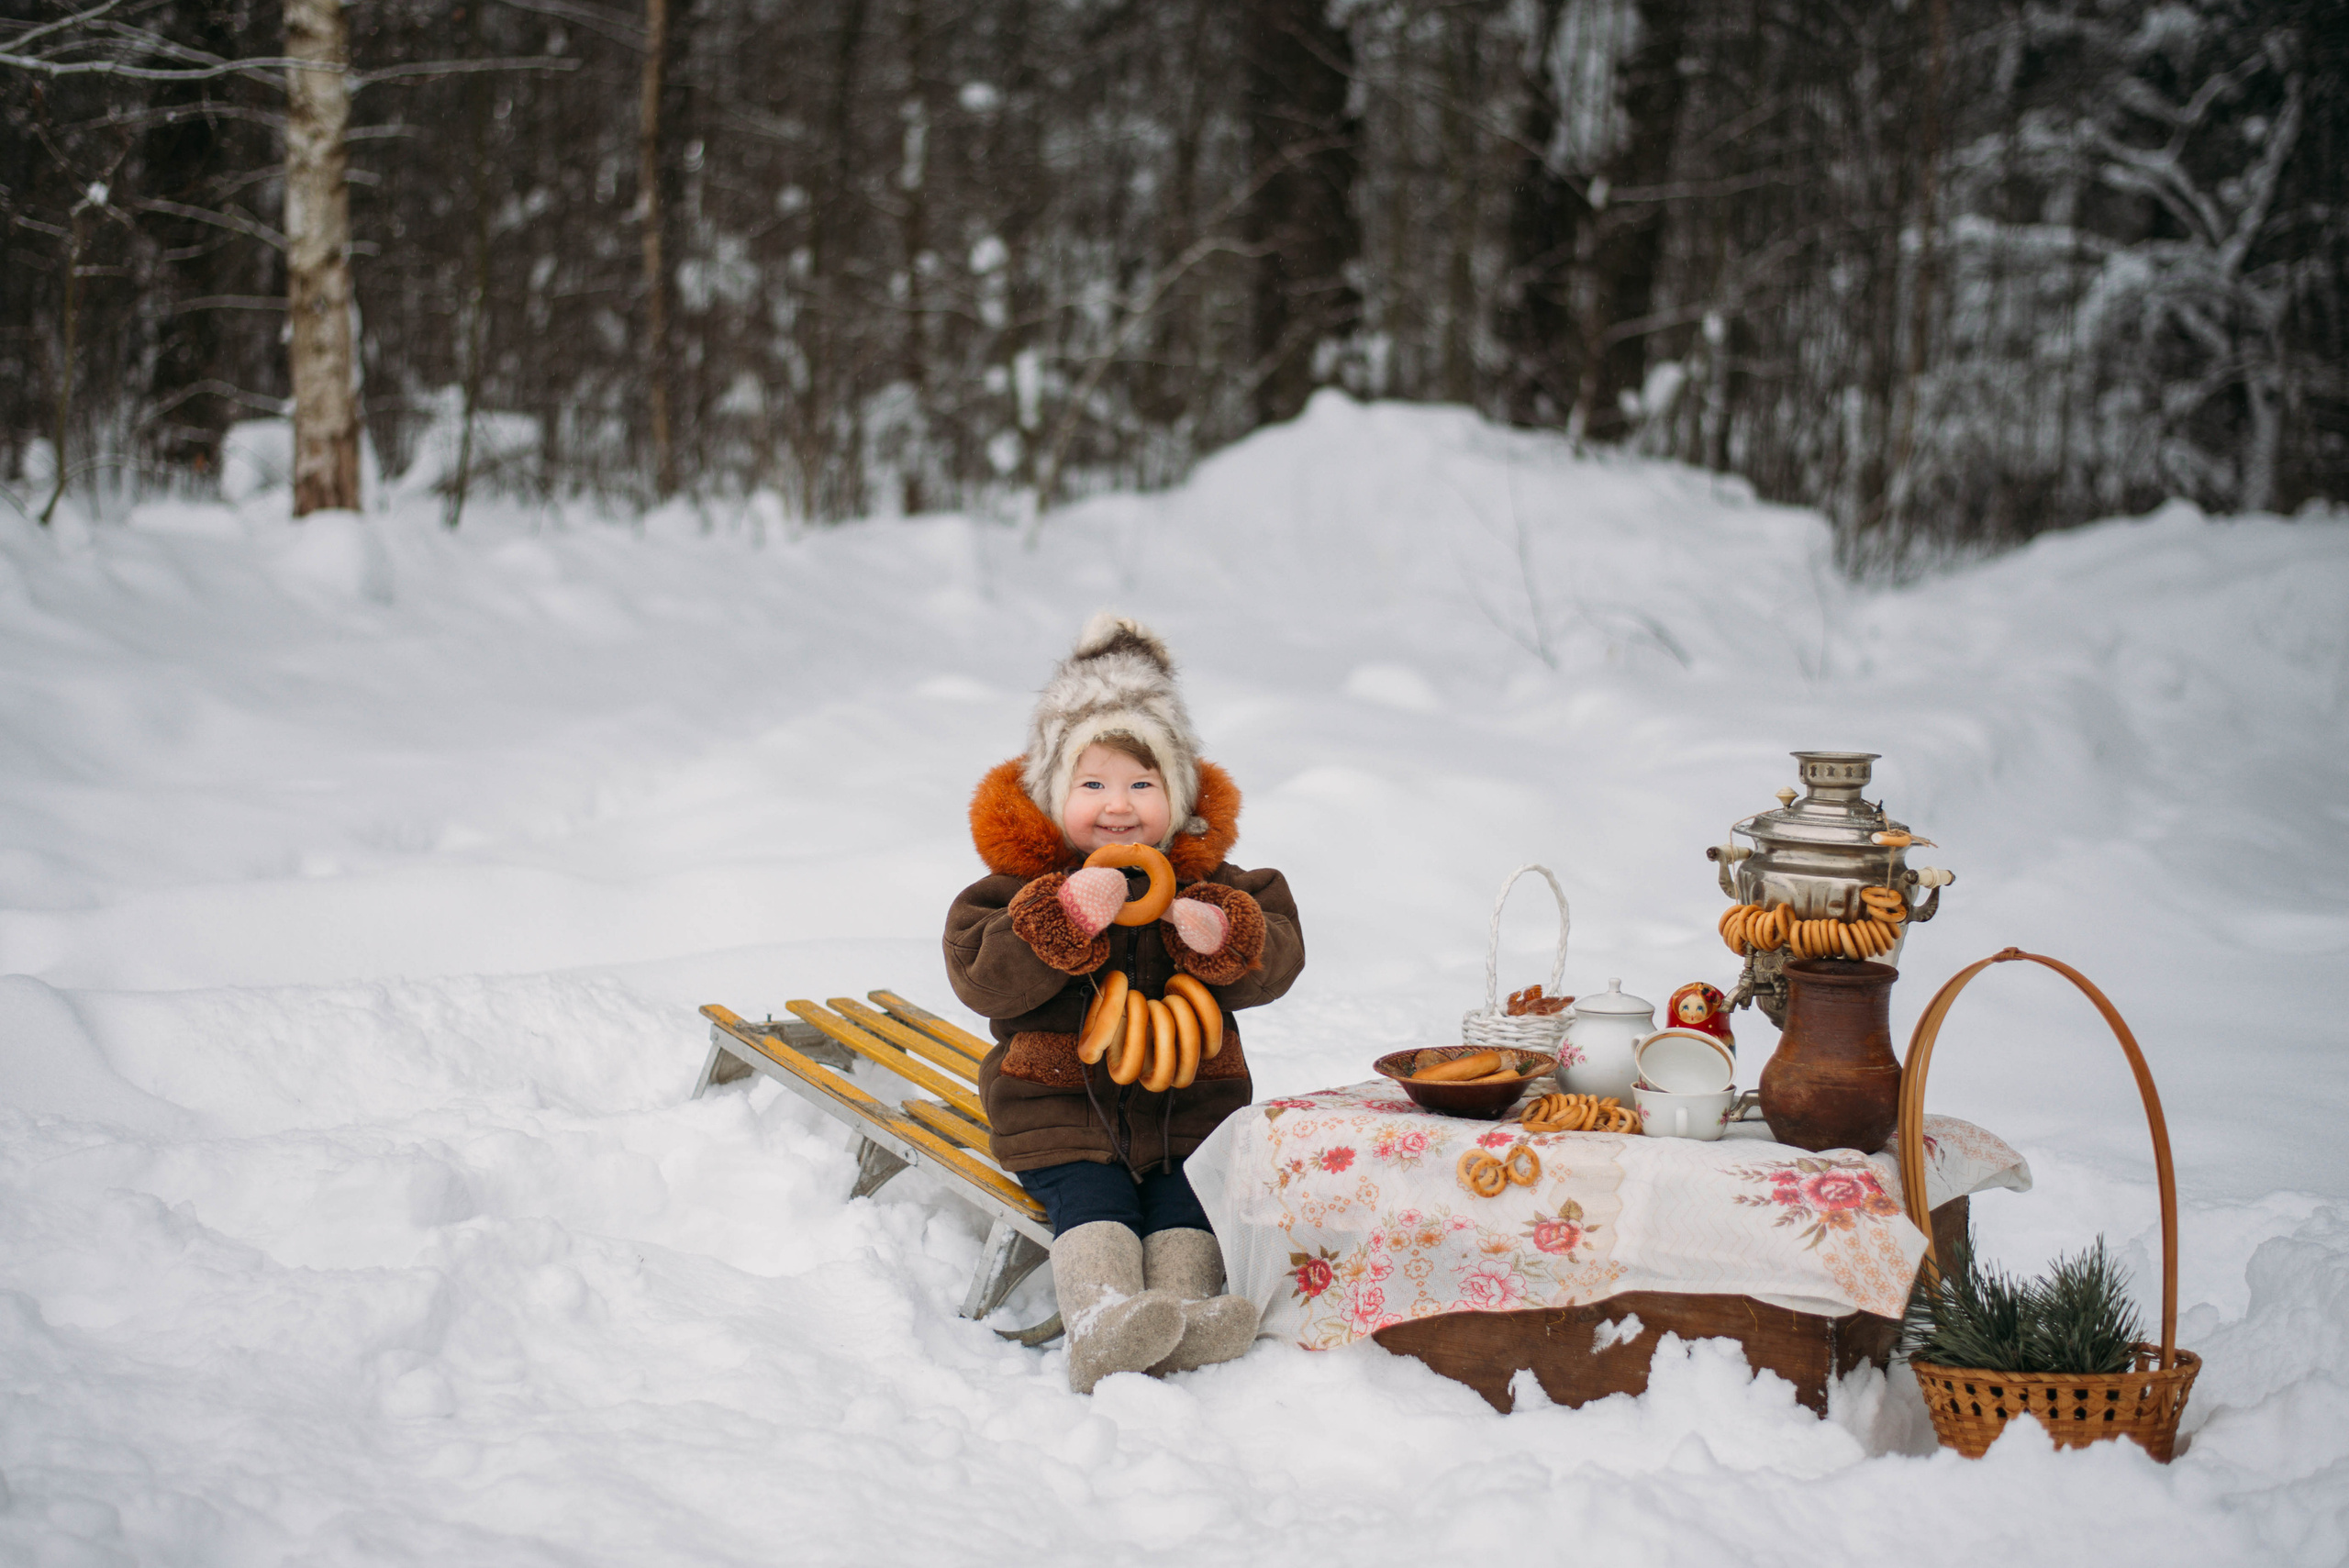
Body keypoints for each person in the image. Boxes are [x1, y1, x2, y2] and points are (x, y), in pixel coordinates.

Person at [945, 616, 1305, 1393]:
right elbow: (980, 974)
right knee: (1095, 1196)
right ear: (1051, 794)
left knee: (1189, 1195)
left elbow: (1281, 954)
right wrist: (1061, 919)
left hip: (1190, 1108)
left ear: (1179, 796)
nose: (1119, 805)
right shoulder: (1014, 891)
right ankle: (1103, 1321)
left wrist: (1224, 933)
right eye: (1094, 783)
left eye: (1144, 783)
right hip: (1059, 1110)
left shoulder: (1212, 882)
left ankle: (1183, 1312)